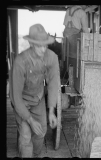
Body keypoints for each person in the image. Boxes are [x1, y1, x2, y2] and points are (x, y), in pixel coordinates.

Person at [9, 24, 59, 158]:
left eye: (45, 45)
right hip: (21, 101)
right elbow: (15, 97)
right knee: (26, 136)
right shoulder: (20, 62)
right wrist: (30, 120)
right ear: (31, 43)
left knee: (41, 132)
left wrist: (51, 110)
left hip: (38, 99)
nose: (43, 49)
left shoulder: (52, 57)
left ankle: (35, 155)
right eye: (39, 46)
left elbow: (53, 84)